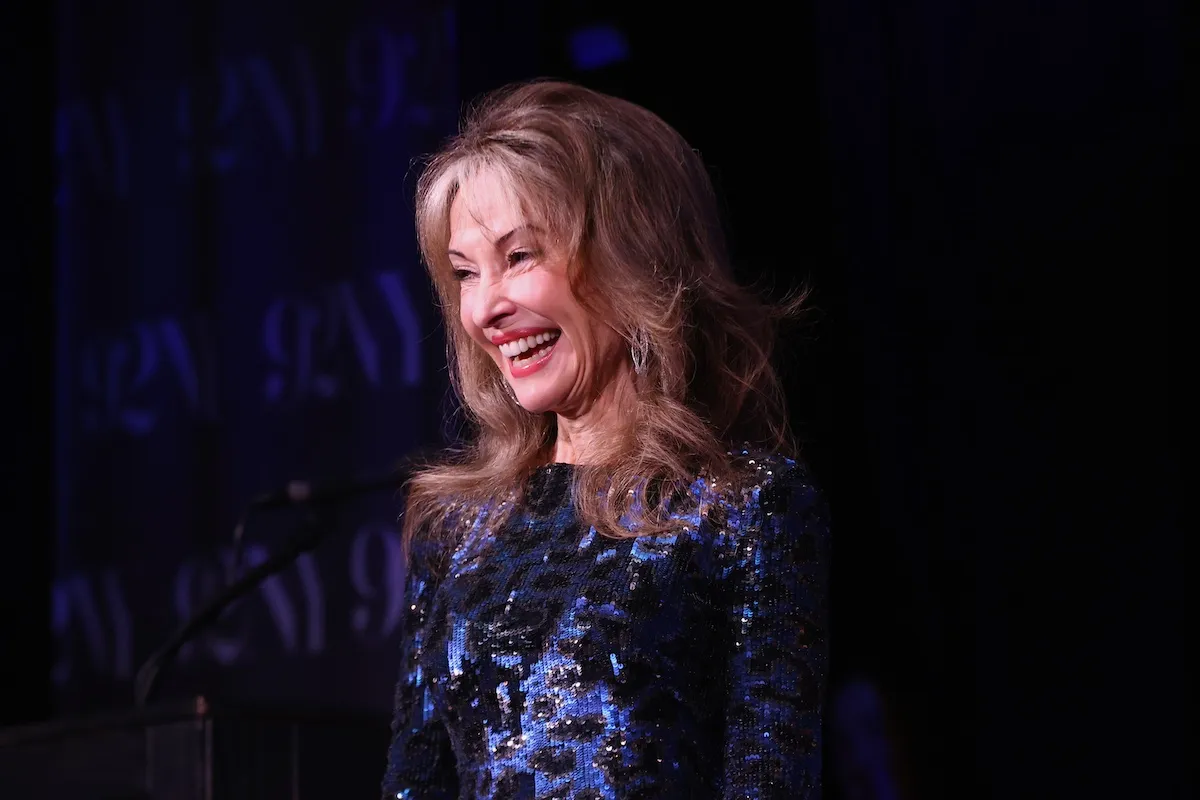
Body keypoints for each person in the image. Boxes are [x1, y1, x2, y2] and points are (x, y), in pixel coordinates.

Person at [382, 79, 829, 800]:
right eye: (466, 274)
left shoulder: (744, 509)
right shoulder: (457, 531)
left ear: (635, 256)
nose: (486, 308)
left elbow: (769, 782)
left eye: (519, 256)